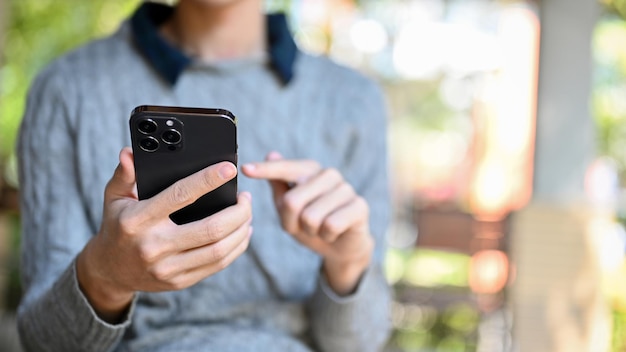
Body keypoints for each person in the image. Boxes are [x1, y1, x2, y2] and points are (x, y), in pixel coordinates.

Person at [16, 0, 392, 351]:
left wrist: (347, 265)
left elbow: (361, 341)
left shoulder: (353, 100)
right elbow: (43, 340)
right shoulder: (67, 89)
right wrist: (105, 278)